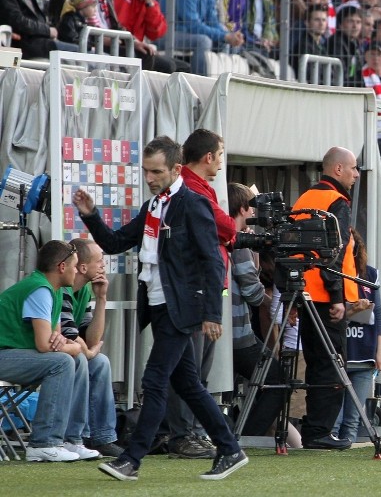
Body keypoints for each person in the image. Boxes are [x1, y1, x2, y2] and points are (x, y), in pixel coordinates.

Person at [73, 136, 247, 481]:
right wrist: (91, 215)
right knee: (188, 385)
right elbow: (115, 242)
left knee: (154, 380)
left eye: (156, 172)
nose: (150, 178)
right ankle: (230, 448)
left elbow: (213, 261)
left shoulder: (193, 204)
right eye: (147, 171)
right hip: (160, 305)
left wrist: (212, 313)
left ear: (176, 169)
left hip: (179, 308)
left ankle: (132, 459)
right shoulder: (154, 205)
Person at [161, 128, 235, 459]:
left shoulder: (199, 188)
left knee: (196, 367)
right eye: (219, 156)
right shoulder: (192, 188)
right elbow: (228, 228)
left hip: (203, 289)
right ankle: (180, 435)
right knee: (188, 367)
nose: (220, 163)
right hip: (194, 290)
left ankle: (187, 431)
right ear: (208, 157)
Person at [289, 147, 361, 450]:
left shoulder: (304, 199)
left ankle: (314, 430)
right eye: (354, 169)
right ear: (339, 169)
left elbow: (289, 246)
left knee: (317, 362)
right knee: (331, 364)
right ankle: (319, 431)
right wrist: (336, 296)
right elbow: (335, 252)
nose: (357, 175)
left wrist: (291, 295)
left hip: (303, 292)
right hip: (325, 296)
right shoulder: (337, 202)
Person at [0, 240, 96, 462]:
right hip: (4, 354)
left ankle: (72, 439)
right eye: (74, 266)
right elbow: (45, 345)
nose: (76, 271)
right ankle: (44, 442)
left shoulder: (55, 291)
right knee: (62, 362)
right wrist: (70, 347)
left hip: (12, 354)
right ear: (62, 267)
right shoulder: (40, 289)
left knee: (77, 360)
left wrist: (68, 347)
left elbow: (57, 337)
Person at [227, 182, 286, 436]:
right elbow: (252, 291)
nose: (256, 214)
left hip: (226, 333)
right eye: (253, 207)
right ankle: (248, 435)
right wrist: (276, 305)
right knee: (278, 380)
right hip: (238, 336)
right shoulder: (237, 242)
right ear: (242, 209)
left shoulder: (225, 235)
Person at [59, 238, 123, 457]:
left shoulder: (84, 291)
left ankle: (102, 437)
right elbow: (69, 335)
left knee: (100, 361)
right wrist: (88, 352)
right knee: (81, 359)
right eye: (100, 261)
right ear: (83, 267)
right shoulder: (61, 288)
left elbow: (91, 337)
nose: (104, 265)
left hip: (65, 349)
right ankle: (73, 437)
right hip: (40, 351)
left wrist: (102, 299)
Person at [333, 229, 381, 443]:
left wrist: (380, 351)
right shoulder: (332, 273)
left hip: (365, 352)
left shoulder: (370, 274)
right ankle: (334, 447)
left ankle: (347, 447)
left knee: (354, 415)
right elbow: (332, 317)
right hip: (341, 350)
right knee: (335, 415)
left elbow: (380, 313)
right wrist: (352, 311)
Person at [106, 0, 189, 73]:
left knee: (183, 67)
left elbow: (156, 33)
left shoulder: (151, 4)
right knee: (167, 66)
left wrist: (149, 1)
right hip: (115, 43)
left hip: (135, 47)